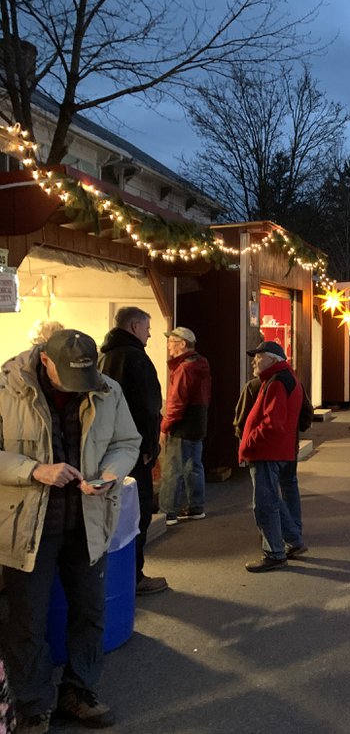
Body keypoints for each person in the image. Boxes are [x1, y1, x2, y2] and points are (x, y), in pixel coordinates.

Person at [0, 329, 141, 732]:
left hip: (88, 520)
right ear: (44, 359)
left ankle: (79, 691)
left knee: (90, 612)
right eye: (69, 378)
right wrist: (33, 471)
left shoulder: (107, 388)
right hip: (28, 524)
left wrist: (112, 473)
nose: (80, 388)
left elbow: (128, 441)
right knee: (26, 620)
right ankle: (33, 704)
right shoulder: (5, 387)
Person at [98, 307, 168, 595]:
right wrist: (150, 446)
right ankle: (133, 576)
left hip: (106, 448)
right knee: (135, 514)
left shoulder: (104, 356)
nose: (150, 333)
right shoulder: (136, 358)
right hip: (133, 449)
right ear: (135, 326)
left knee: (113, 513)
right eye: (148, 327)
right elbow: (147, 406)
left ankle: (113, 575)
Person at [238, 341, 306, 573]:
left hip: (268, 451)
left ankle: (274, 553)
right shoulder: (284, 378)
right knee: (275, 499)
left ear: (273, 359)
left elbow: (271, 423)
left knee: (265, 504)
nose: (254, 361)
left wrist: (248, 442)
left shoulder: (276, 382)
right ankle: (293, 540)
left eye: (259, 356)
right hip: (281, 450)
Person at [159, 326, 211, 526]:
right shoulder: (201, 363)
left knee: (172, 469)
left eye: (171, 341)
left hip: (182, 425)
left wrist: (164, 426)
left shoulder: (184, 369)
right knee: (194, 466)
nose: (168, 345)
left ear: (182, 344)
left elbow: (176, 402)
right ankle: (196, 507)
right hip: (197, 422)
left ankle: (167, 512)